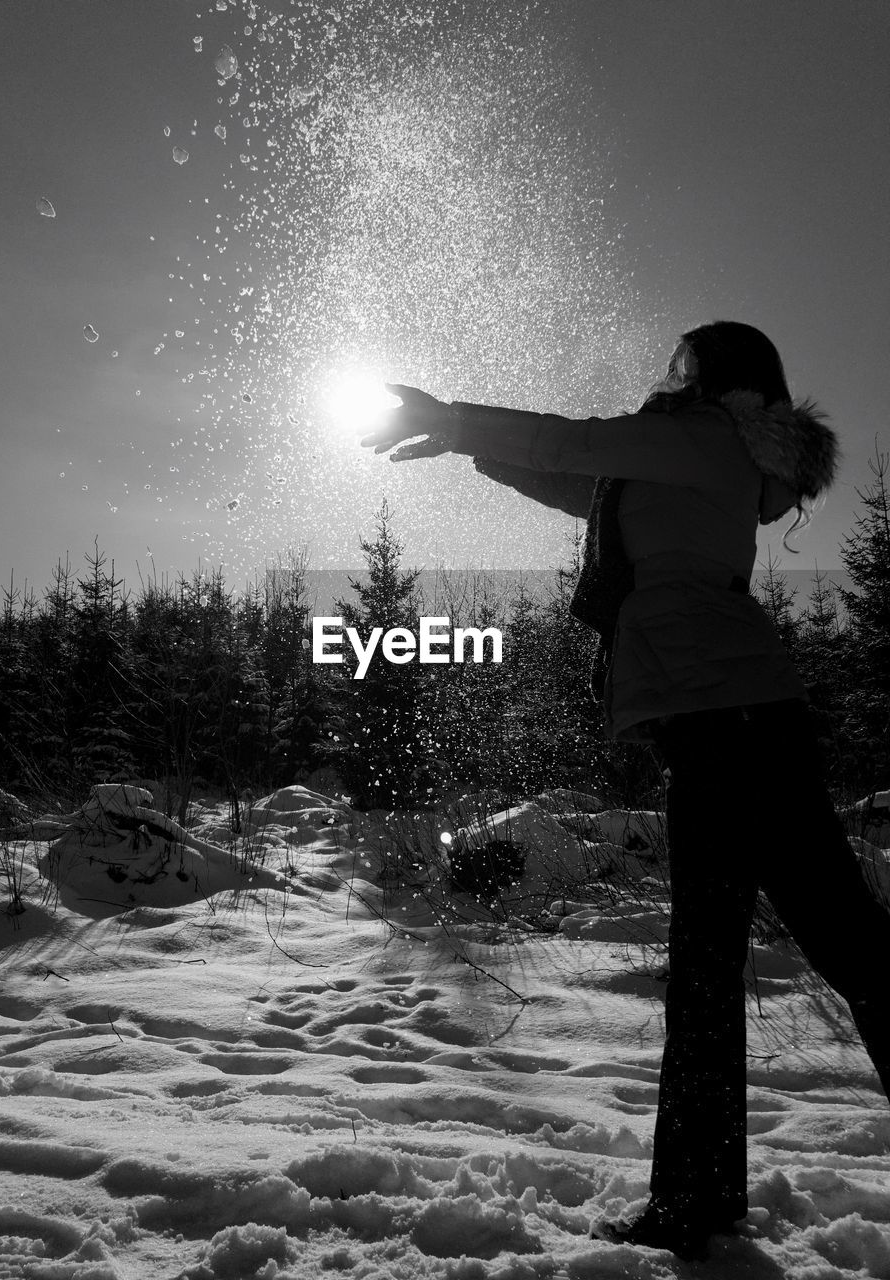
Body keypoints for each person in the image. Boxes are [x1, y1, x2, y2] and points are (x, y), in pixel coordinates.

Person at [360, 321, 890, 1261]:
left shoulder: (702, 438)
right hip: (724, 720)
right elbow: (576, 480)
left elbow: (575, 442)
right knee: (773, 954)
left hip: (734, 721)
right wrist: (465, 445)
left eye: (687, 364)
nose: (672, 374)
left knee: (798, 955)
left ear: (724, 380)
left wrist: (454, 415)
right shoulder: (683, 459)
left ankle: (695, 1201)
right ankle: (700, 1200)